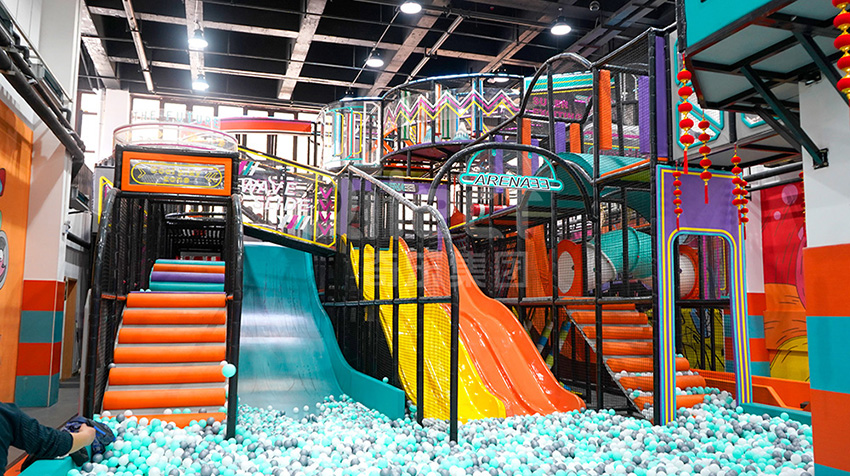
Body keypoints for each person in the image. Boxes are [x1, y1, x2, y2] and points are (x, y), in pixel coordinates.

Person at [0, 402, 95, 470]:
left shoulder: (6, 415)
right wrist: (86, 436)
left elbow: (49, 442)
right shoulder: (5, 415)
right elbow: (50, 442)